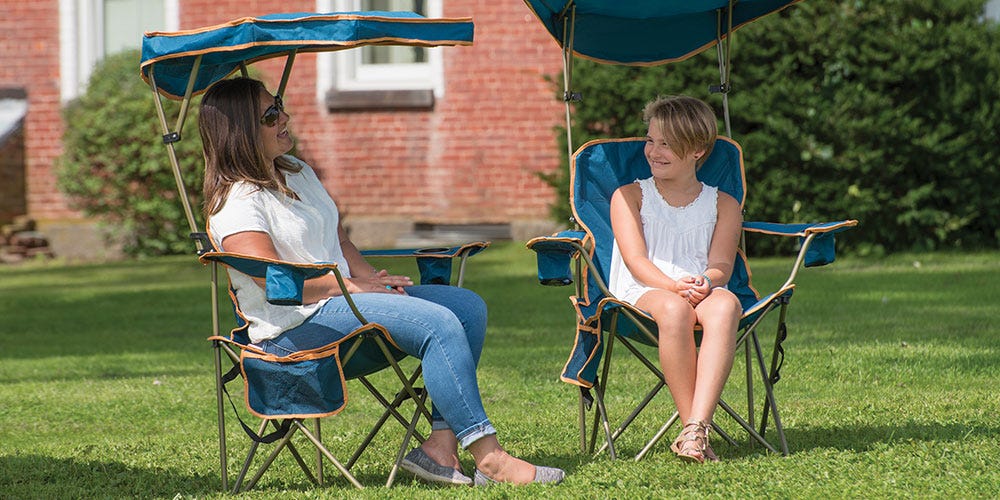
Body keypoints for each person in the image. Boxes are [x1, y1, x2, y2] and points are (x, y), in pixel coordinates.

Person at [198, 77, 564, 486]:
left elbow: (337, 238)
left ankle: (440, 449)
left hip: (342, 308)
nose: (285, 117)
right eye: (270, 115)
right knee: (436, 323)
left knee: (465, 307)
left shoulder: (296, 172)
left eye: (278, 105)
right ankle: (490, 457)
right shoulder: (236, 204)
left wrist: (372, 280)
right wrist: (351, 288)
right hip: (293, 332)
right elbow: (274, 283)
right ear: (240, 132)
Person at [607, 95, 743, 463]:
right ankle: (693, 431)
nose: (654, 151)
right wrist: (673, 286)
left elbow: (721, 264)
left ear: (697, 149)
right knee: (674, 310)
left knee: (727, 305)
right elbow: (635, 261)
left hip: (700, 286)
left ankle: (695, 429)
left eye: (666, 144)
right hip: (647, 289)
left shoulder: (724, 204)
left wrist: (706, 280)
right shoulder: (629, 196)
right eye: (651, 141)